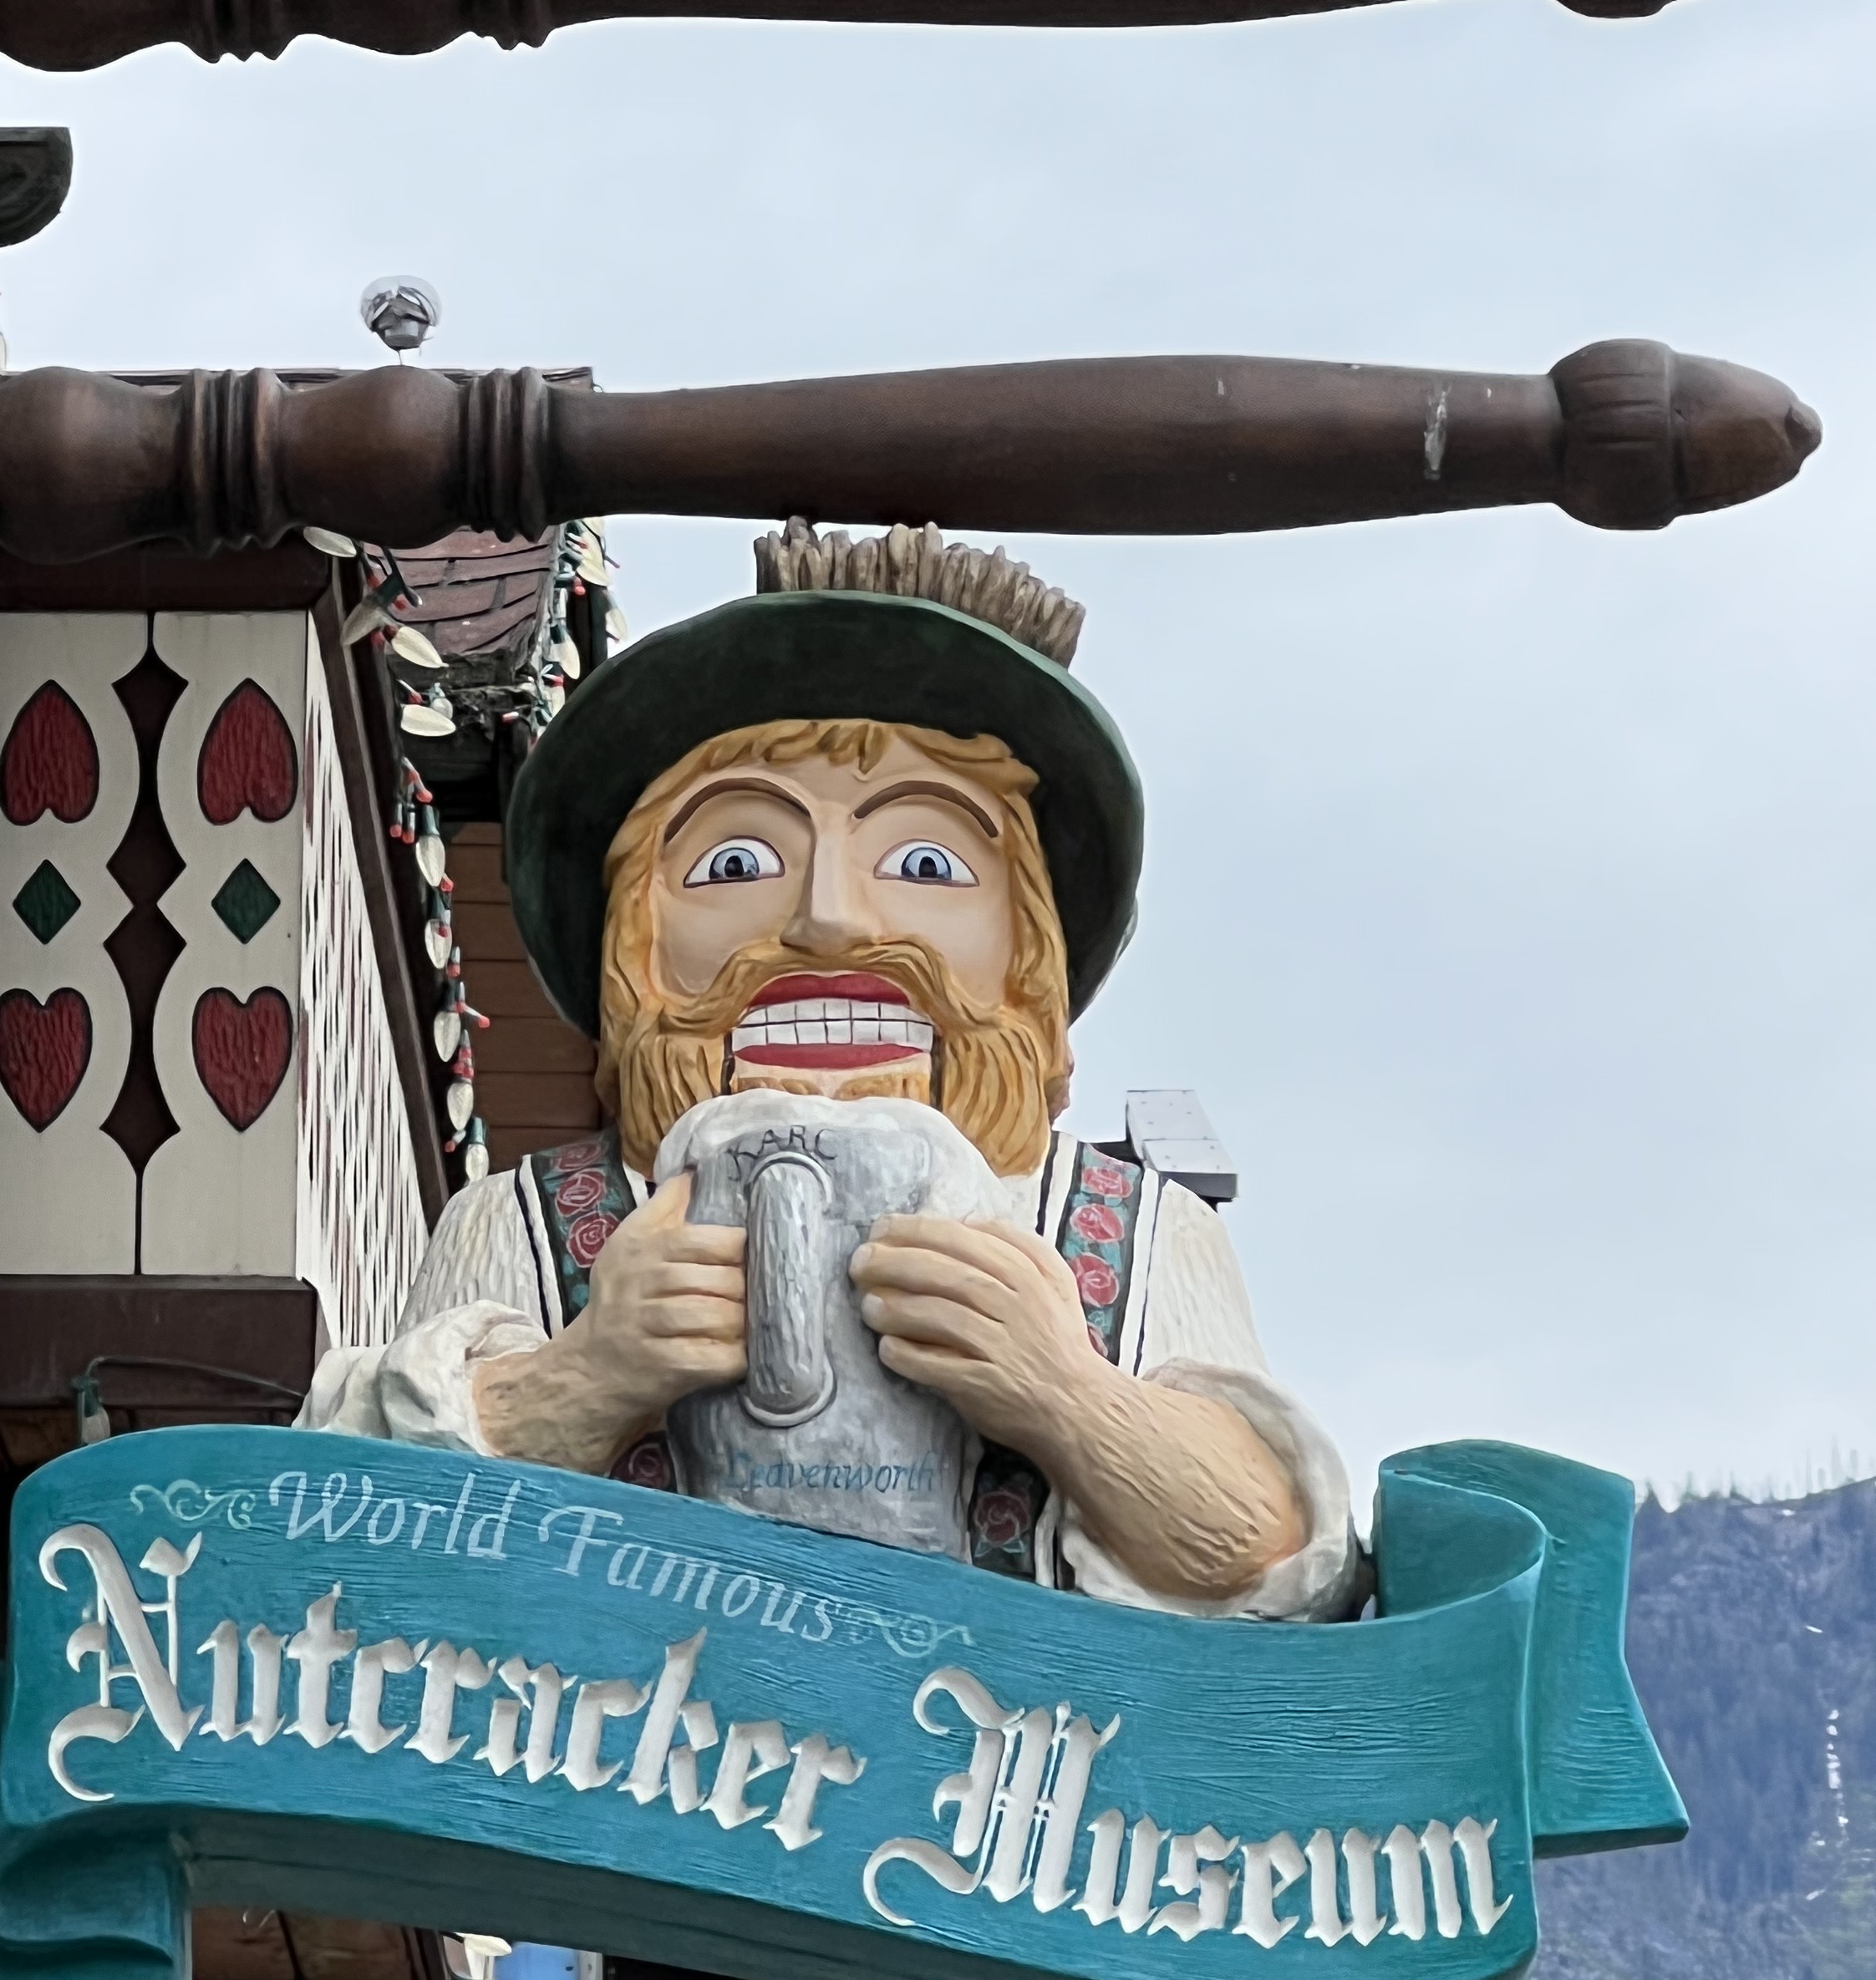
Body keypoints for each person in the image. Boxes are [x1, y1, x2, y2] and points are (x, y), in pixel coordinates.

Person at [303, 521, 1357, 1622]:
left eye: (927, 862)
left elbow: (1286, 1565)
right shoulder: (522, 1222)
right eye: (736, 861)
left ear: (1026, 949)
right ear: (635, 945)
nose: (831, 920)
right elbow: (339, 1533)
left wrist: (1067, 1392)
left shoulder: (1135, 1230)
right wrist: (582, 1378)